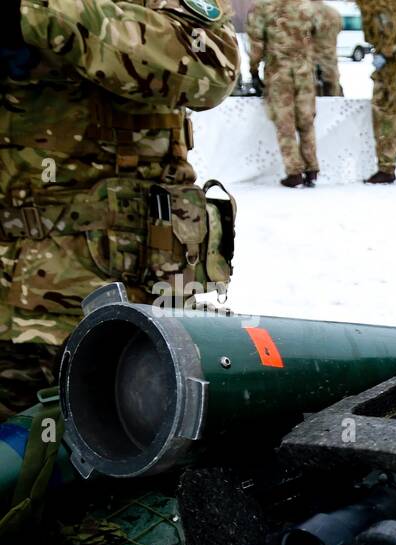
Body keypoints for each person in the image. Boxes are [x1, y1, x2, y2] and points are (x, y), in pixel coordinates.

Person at [0, 0, 238, 420]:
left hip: (103, 302)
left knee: (100, 450)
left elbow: (210, 67)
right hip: (12, 294)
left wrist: (35, 16)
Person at [247, 0, 319, 188]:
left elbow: (256, 41)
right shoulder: (306, 6)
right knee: (306, 120)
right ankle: (311, 168)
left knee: (284, 122)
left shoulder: (264, 7)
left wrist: (253, 70)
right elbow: (316, 34)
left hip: (279, 73)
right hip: (304, 71)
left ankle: (294, 172)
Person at [356, 0, 396, 183]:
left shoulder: (384, 12)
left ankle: (386, 169)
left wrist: (382, 57)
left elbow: (390, 42)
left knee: (384, 116)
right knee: (394, 117)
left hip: (392, 73)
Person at [313, 0, 344, 96]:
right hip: (330, 63)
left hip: (311, 64)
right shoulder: (334, 13)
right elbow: (339, 29)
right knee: (332, 98)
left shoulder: (305, 13)